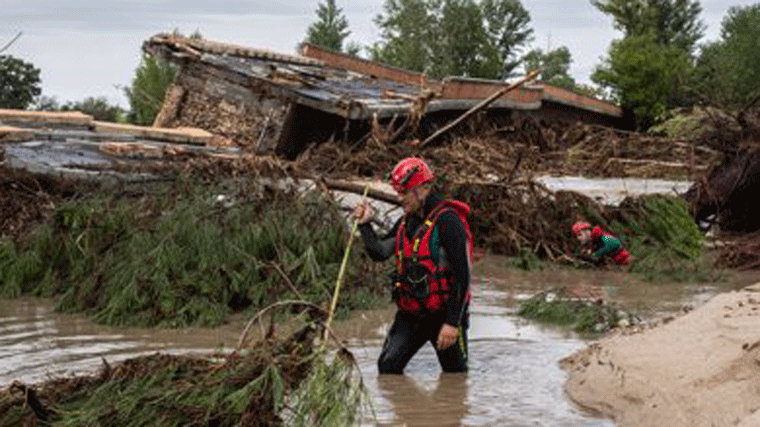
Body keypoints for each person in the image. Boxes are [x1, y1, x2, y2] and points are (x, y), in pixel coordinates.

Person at [353, 157, 473, 374]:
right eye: (399, 193)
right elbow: (379, 253)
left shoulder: (449, 222)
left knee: (455, 377)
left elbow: (462, 277)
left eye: (404, 193)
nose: (401, 200)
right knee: (387, 368)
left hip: (444, 315)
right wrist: (365, 225)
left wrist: (452, 323)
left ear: (422, 189)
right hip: (411, 314)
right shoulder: (405, 224)